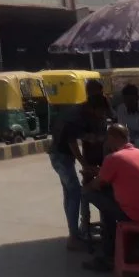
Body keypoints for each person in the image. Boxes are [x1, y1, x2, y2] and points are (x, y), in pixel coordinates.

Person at [81, 124, 139, 272]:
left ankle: (108, 255)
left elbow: (97, 185)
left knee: (88, 194)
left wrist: (89, 180)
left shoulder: (114, 158)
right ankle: (122, 246)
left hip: (133, 214)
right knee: (108, 202)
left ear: (112, 138)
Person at [48, 94, 109, 251]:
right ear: (93, 108)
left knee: (69, 194)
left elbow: (77, 136)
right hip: (61, 156)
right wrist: (85, 164)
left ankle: (76, 232)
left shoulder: (78, 112)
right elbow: (71, 142)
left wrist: (90, 137)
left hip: (59, 154)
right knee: (75, 192)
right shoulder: (77, 116)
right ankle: (74, 238)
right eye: (101, 112)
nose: (101, 116)